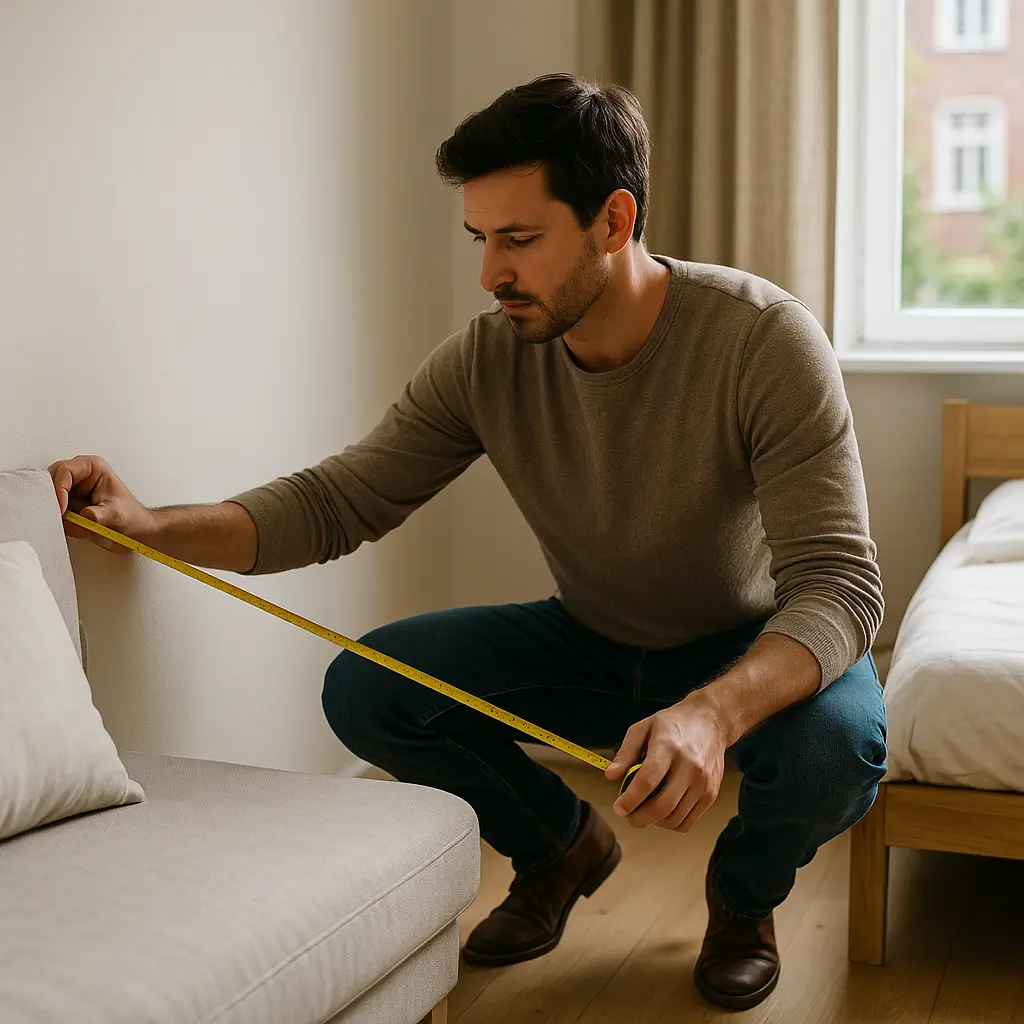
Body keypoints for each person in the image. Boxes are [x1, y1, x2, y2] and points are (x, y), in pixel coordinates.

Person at [49, 73, 886, 1011]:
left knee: (843, 745)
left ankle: (742, 898)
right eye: (480, 239)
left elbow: (843, 588)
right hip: (591, 641)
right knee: (367, 687)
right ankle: (560, 848)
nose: (491, 273)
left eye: (519, 239)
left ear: (614, 220)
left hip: (745, 644)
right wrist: (151, 524)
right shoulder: (488, 357)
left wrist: (713, 713)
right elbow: (339, 501)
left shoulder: (763, 340)